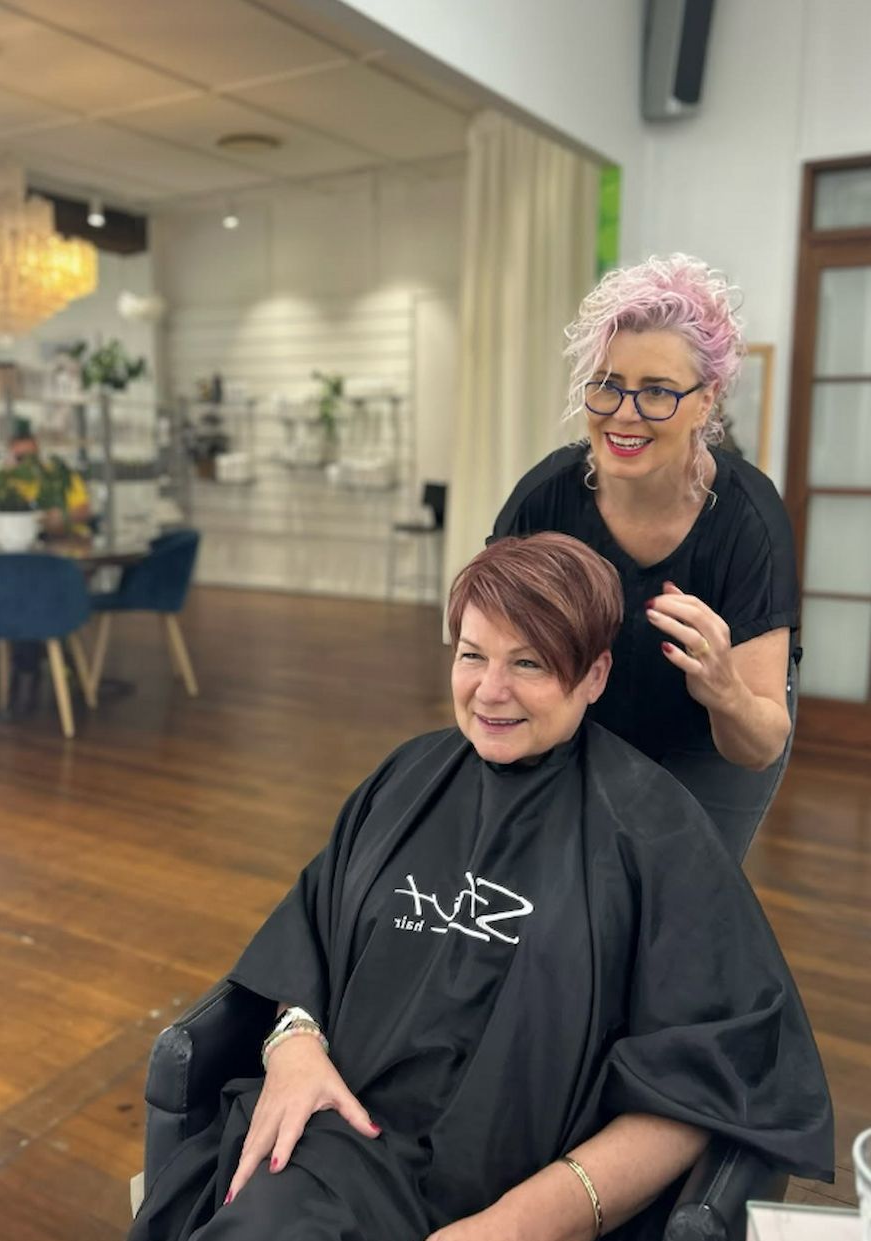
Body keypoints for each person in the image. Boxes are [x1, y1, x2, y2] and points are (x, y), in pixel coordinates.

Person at [129, 534, 832, 1241]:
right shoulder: (405, 779)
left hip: (529, 1186)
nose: (490, 691)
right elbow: (308, 933)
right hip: (335, 1151)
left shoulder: (657, 831)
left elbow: (703, 1084)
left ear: (595, 674)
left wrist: (518, 1223)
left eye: (528, 662)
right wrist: (296, 1041)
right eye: (473, 654)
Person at [492, 254, 798, 859]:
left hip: (706, 742)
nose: (624, 414)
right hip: (580, 723)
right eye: (608, 386)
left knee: (679, 900)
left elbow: (760, 744)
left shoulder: (747, 521)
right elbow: (488, 651)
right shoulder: (544, 500)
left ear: (705, 403)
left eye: (657, 391)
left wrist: (723, 687)